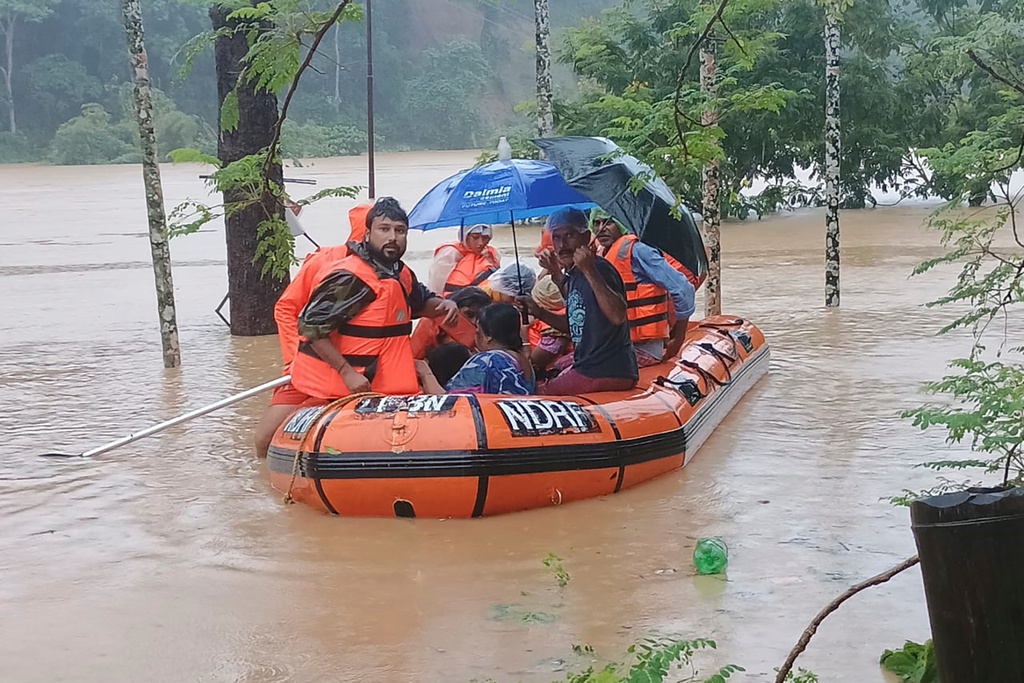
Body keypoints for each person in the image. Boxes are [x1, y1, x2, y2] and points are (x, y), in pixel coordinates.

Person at [253, 198, 459, 457]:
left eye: (399, 230)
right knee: (264, 441)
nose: (392, 237)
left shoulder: (400, 272)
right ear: (368, 232)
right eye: (384, 229)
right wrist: (344, 371)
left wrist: (443, 304)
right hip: (328, 373)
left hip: (380, 382)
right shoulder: (349, 275)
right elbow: (311, 326)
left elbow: (420, 301)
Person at [254, 203, 372, 458]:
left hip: (365, 371)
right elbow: (286, 309)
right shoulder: (324, 261)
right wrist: (292, 360)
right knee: (263, 440)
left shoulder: (395, 273)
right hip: (313, 365)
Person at [519, 207, 638, 395]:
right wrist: (538, 311)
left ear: (586, 237)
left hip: (602, 370)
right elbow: (574, 324)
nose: (562, 244)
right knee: (549, 371)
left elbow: (618, 315)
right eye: (556, 238)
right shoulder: (574, 273)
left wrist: (589, 270)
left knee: (535, 392)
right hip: (589, 366)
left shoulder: (599, 268)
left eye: (569, 236)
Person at [590, 208, 696, 365]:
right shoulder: (598, 255)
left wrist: (678, 337)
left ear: (622, 223)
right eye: (596, 223)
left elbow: (683, 289)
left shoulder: (638, 251)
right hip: (614, 346)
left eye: (609, 222)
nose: (601, 228)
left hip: (643, 348)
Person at [416, 303, 535, 395]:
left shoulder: (487, 361)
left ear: (488, 336)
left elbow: (449, 403)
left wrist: (425, 373)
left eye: (478, 331)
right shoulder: (524, 362)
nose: (475, 336)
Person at [410, 286, 491, 359]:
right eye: (469, 314)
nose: (473, 322)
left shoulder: (480, 340)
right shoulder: (430, 323)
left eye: (478, 319)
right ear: (455, 309)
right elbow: (413, 357)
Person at [429, 223, 501, 296]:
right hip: (455, 299)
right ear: (466, 236)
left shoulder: (493, 253)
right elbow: (435, 285)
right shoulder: (450, 252)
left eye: (485, 238)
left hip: (486, 298)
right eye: (475, 237)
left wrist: (490, 260)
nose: (481, 243)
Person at [527, 274, 571, 373]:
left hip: (548, 373)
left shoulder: (554, 331)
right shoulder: (570, 312)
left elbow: (533, 364)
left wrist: (523, 331)